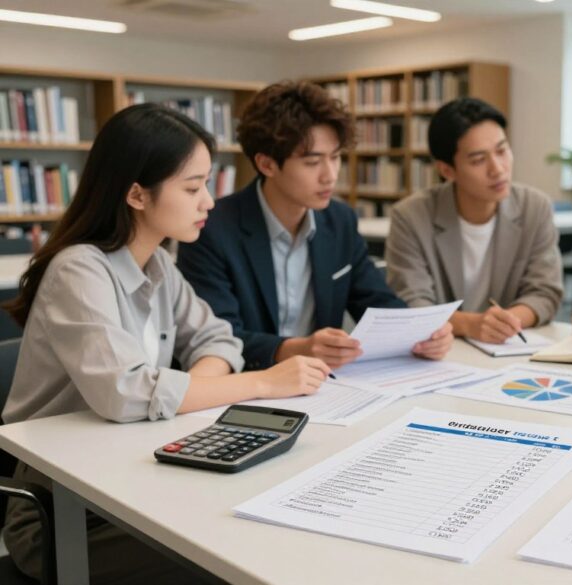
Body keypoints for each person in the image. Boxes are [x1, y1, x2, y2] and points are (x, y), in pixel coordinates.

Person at [2, 103, 331, 583]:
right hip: (62, 515)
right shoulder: (79, 269)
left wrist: (184, 391)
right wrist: (260, 384)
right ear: (137, 194)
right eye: (193, 187)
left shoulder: (158, 266)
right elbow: (127, 394)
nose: (209, 203)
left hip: (134, 480)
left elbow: (219, 338)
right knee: (239, 553)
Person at [177, 81, 452, 371]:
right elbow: (215, 336)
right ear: (267, 165)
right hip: (246, 384)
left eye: (335, 158)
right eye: (312, 162)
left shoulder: (340, 221)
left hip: (322, 387)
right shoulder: (212, 228)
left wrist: (422, 333)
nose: (330, 175)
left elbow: (376, 301)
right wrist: (294, 348)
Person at [384, 97, 563, 343]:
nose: (498, 169)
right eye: (479, 160)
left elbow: (544, 291)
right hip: (441, 353)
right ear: (447, 170)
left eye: (502, 151)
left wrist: (505, 323)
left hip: (508, 349)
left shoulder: (535, 207)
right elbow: (412, 303)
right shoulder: (411, 216)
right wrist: (470, 324)